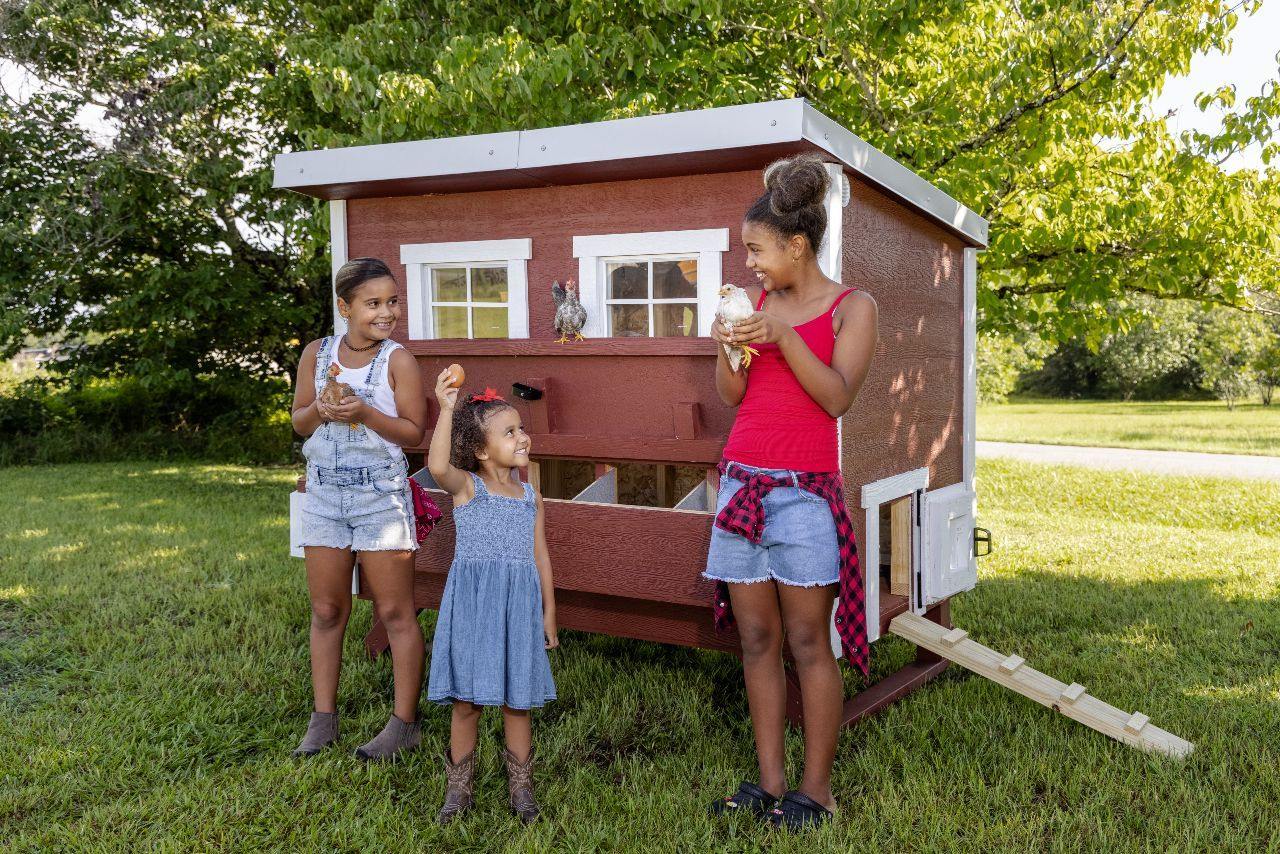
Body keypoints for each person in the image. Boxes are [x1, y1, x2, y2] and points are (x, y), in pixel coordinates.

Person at [704, 154, 879, 830]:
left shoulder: (851, 308)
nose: (748, 263)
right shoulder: (759, 308)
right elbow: (733, 396)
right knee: (755, 638)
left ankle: (818, 790)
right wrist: (731, 349)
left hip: (805, 497)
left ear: (797, 245)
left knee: (809, 641)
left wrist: (781, 336)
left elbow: (836, 397)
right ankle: (771, 782)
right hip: (742, 487)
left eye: (756, 249)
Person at [289, 257, 427, 761]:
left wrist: (366, 412)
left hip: (379, 497)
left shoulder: (398, 361)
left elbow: (414, 434)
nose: (387, 312)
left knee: (394, 610)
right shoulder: (316, 354)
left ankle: (404, 723)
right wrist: (321, 410)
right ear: (344, 307)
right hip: (324, 495)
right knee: (327, 611)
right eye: (374, 303)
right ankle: (323, 719)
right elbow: (300, 424)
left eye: (392, 301)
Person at [424, 375, 558, 825]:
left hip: (518, 608)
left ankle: (521, 785)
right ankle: (458, 787)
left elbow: (540, 556)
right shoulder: (468, 489)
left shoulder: (529, 497)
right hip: (475, 607)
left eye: (521, 429)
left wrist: (549, 613)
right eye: (510, 432)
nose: (523, 437)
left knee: (517, 699)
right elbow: (438, 466)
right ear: (481, 451)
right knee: (467, 701)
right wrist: (445, 409)